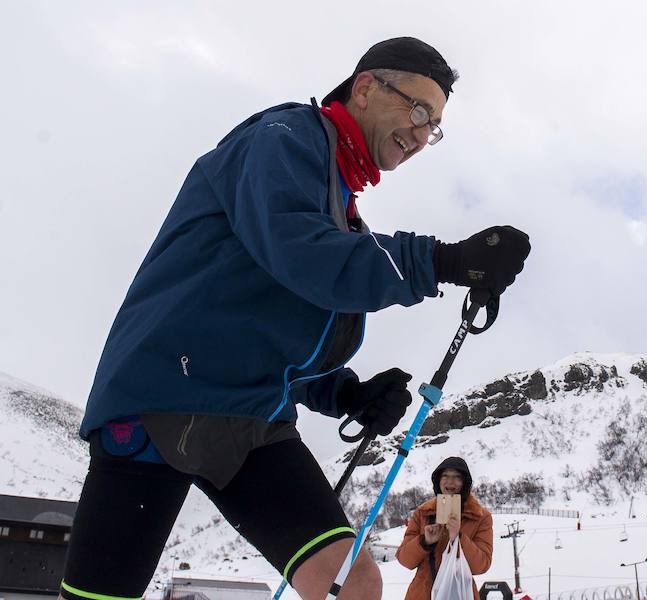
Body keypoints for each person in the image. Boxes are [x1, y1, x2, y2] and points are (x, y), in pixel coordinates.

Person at [60, 37, 529, 600]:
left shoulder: (338, 198)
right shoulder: (281, 139)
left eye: (435, 127)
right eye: (419, 111)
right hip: (164, 400)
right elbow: (306, 256)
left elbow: (272, 324)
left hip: (253, 420)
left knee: (353, 580)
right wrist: (444, 261)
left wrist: (346, 394)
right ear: (365, 88)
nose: (423, 135)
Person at [397, 457, 493, 600]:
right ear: (438, 481)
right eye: (445, 476)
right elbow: (405, 560)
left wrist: (458, 538)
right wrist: (425, 541)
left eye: (457, 477)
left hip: (460, 593)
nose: (450, 482)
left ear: (465, 483)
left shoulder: (479, 517)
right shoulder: (423, 513)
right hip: (421, 594)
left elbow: (481, 565)